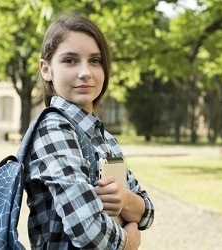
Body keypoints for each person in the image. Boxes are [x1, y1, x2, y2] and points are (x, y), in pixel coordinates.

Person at [23, 13, 154, 249]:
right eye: (70, 60)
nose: (86, 72)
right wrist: (128, 242)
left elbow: (148, 212)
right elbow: (87, 230)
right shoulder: (53, 128)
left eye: (95, 60)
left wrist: (125, 200)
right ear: (46, 69)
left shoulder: (104, 137)